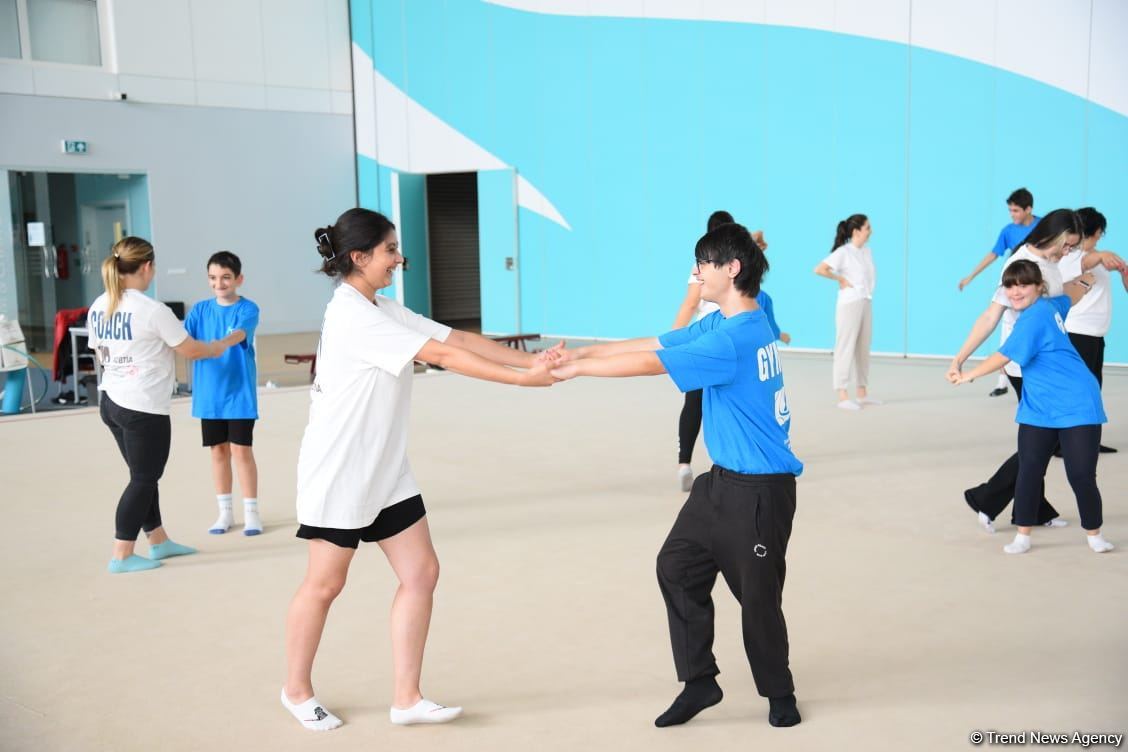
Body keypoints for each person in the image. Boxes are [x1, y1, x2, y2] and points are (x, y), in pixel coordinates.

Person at [282, 208, 556, 732]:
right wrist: (522, 383)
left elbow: (456, 339)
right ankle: (295, 690)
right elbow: (441, 357)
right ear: (359, 258)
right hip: (339, 473)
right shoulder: (352, 315)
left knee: (420, 573)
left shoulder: (380, 306)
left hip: (385, 471)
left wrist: (534, 362)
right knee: (325, 585)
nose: (399, 259)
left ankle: (406, 698)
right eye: (390, 250)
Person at [548, 222, 804, 729]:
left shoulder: (733, 338)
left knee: (757, 602)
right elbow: (658, 340)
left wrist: (575, 372)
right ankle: (701, 682)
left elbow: (653, 364)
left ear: (731, 269)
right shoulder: (743, 317)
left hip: (760, 492)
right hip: (721, 483)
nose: (695, 274)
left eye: (702, 264)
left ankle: (780, 694)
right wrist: (580, 352)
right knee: (677, 567)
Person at [88, 237, 242, 574]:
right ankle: (122, 554)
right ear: (146, 267)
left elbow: (98, 352)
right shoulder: (151, 309)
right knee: (143, 479)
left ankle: (158, 540)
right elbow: (191, 349)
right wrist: (220, 345)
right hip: (142, 407)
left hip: (111, 400)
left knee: (143, 476)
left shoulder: (100, 304)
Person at [949, 260, 1113, 555]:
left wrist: (967, 375)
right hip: (1039, 404)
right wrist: (1086, 281)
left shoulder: (1034, 318)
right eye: (1010, 286)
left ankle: (1094, 534)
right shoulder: (1051, 305)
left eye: (1024, 285)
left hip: (1076, 402)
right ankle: (1022, 536)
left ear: (1039, 287)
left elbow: (1003, 356)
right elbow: (1071, 296)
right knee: (1029, 469)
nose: (1016, 291)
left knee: (1080, 475)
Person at [671, 210, 789, 490]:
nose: (697, 271)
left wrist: (677, 339)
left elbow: (689, 305)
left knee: (697, 403)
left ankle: (684, 462)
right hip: (712, 336)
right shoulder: (722, 267)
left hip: (717, 340)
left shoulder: (718, 268)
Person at [185, 251, 263, 535]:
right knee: (218, 452)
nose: (219, 283)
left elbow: (241, 334)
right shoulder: (199, 310)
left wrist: (221, 344)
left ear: (238, 279)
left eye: (226, 278)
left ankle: (252, 512)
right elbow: (182, 337)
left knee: (242, 451)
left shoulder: (248, 308)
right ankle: (225, 513)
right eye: (214, 278)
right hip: (209, 396)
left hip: (239, 395)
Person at [957, 188, 1040, 398]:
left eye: (1016, 211)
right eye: (1010, 210)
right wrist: (970, 276)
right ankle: (1003, 382)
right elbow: (994, 254)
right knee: (1007, 331)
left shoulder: (1042, 227)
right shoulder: (1008, 231)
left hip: (1035, 286)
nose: (1013, 215)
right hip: (1014, 284)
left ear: (1029, 209)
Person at [1057, 208, 1127, 454]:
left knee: (1092, 388)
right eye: (1099, 235)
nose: (1100, 239)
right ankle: (1065, 444)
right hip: (1078, 333)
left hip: (1095, 335)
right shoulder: (1071, 256)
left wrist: (1122, 272)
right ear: (1095, 232)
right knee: (1079, 389)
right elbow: (1083, 262)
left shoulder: (1097, 257)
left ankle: (1087, 442)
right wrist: (1103, 255)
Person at [814, 214, 878, 409]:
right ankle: (842, 394)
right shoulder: (844, 252)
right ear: (856, 231)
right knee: (846, 346)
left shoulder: (866, 251)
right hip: (849, 303)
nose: (871, 230)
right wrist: (840, 280)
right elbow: (820, 269)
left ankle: (862, 393)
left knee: (863, 347)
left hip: (865, 300)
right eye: (867, 227)